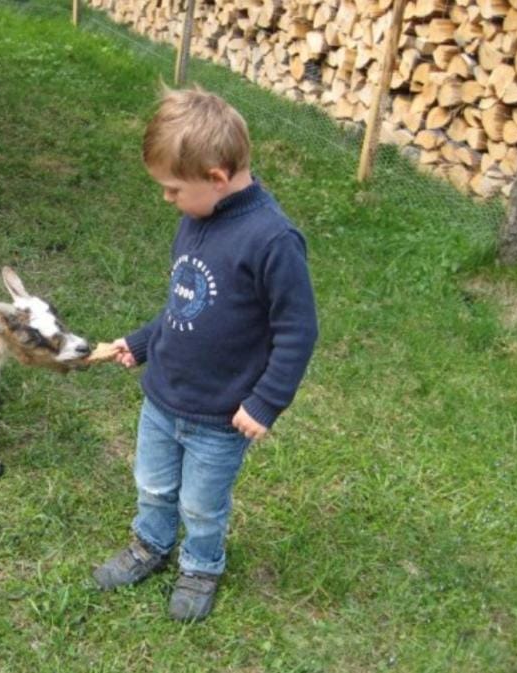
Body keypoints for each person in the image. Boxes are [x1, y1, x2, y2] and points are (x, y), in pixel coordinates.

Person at [93, 85, 318, 622]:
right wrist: (142, 342)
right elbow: (184, 305)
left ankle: (201, 564)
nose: (167, 199)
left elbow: (298, 331)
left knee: (201, 503)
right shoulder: (195, 221)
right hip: (163, 398)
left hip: (220, 416)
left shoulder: (272, 241)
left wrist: (265, 402)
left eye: (173, 189)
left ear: (217, 177)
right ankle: (150, 543)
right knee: (152, 482)